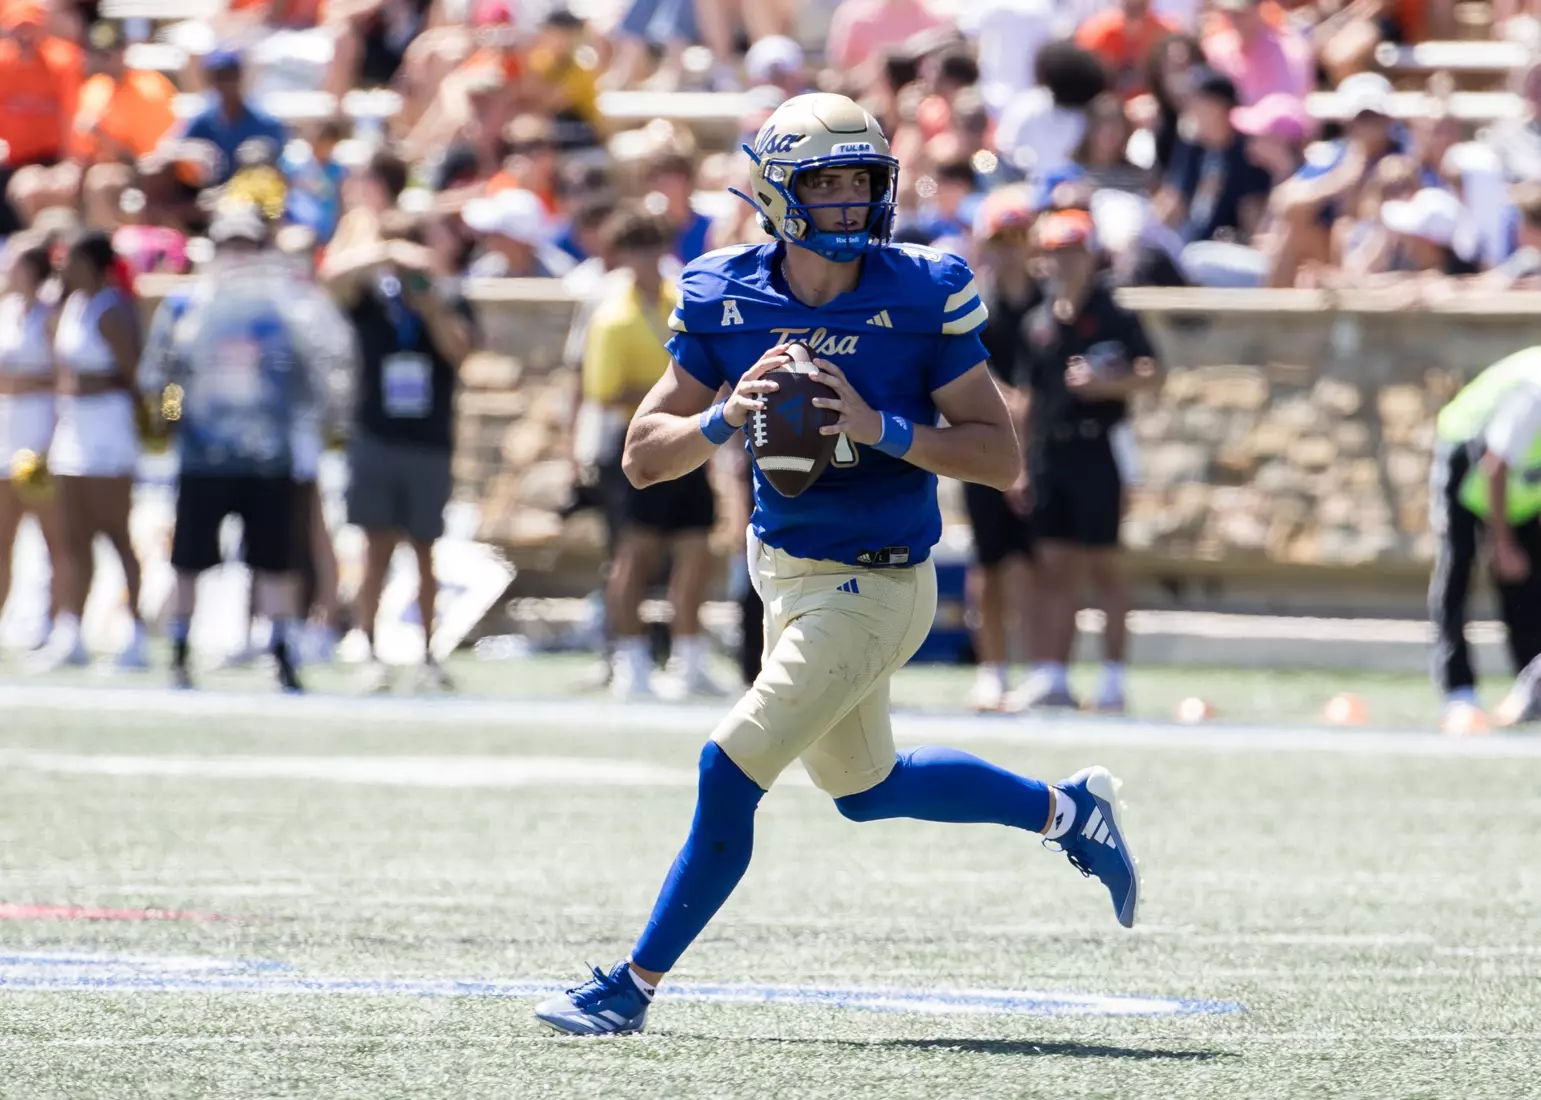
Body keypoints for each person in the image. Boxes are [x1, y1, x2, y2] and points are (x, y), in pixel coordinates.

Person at [534, 92, 1141, 1037]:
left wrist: (879, 426)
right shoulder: (724, 291)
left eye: (863, 180)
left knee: (729, 766)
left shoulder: (921, 289)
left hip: (880, 581)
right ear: (779, 193)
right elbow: (643, 457)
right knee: (866, 789)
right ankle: (1069, 812)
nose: (851, 200)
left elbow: (997, 456)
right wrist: (725, 414)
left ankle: (631, 986)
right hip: (783, 569)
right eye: (827, 182)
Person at [140, 205, 352, 691]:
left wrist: (312, 419)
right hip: (204, 454)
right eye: (230, 244)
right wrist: (172, 420)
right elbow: (165, 375)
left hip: (269, 455)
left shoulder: (286, 308)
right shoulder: (187, 305)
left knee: (275, 561)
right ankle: (179, 652)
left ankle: (281, 652)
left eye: (247, 244)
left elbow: (316, 370)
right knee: (189, 560)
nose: (238, 254)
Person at [1010, 209, 1162, 714]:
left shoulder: (1114, 314)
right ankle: (1053, 672)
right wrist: (1020, 465)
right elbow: (1028, 399)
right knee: (1053, 565)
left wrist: (1108, 385)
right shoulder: (1038, 322)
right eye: (1056, 254)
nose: (1064, 264)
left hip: (1097, 448)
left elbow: (1153, 373)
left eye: (1073, 253)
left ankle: (1113, 677)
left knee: (1104, 565)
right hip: (1050, 452)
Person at [321, 217, 476, 694]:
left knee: (426, 550)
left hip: (428, 440)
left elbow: (461, 354)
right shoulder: (371, 298)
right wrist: (383, 252)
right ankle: (368, 650)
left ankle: (429, 655)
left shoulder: (447, 297)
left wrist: (429, 305)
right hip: (376, 436)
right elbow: (328, 278)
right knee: (375, 550)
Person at [581, 205, 724, 700]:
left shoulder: (680, 301)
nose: (646, 257)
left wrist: (679, 399)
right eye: (635, 247)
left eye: (653, 245)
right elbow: (604, 391)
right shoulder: (610, 317)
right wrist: (670, 397)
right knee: (635, 556)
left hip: (686, 442)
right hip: (635, 445)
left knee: (696, 551)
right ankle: (632, 663)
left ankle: (689, 660)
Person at [34, 230, 146, 671]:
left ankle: (135, 634)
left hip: (108, 430)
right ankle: (70, 631)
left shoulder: (113, 309)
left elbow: (138, 376)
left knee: (116, 533)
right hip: (72, 430)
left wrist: (157, 421)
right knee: (71, 537)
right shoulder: (71, 305)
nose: (65, 268)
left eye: (74, 260)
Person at [1426, 348, 1541, 735]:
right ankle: (1458, 692)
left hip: (1521, 488)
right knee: (1457, 568)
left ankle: (1531, 686)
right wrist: (1502, 543)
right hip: (1469, 460)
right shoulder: (1536, 390)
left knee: (1527, 580)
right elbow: (1496, 464)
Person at [964, 186, 1040, 712]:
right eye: (1000, 239)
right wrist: (1009, 402)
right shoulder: (974, 307)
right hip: (988, 445)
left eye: (1017, 238)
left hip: (1043, 452)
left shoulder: (1048, 301)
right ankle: (992, 670)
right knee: (989, 562)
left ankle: (1040, 667)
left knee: (1040, 565)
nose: (1009, 250)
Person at [0, 241, 64, 647]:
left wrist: (24, 382)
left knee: (52, 538)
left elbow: (64, 375)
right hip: (5, 432)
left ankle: (54, 621)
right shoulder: (5, 311)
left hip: (40, 433)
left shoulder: (50, 316)